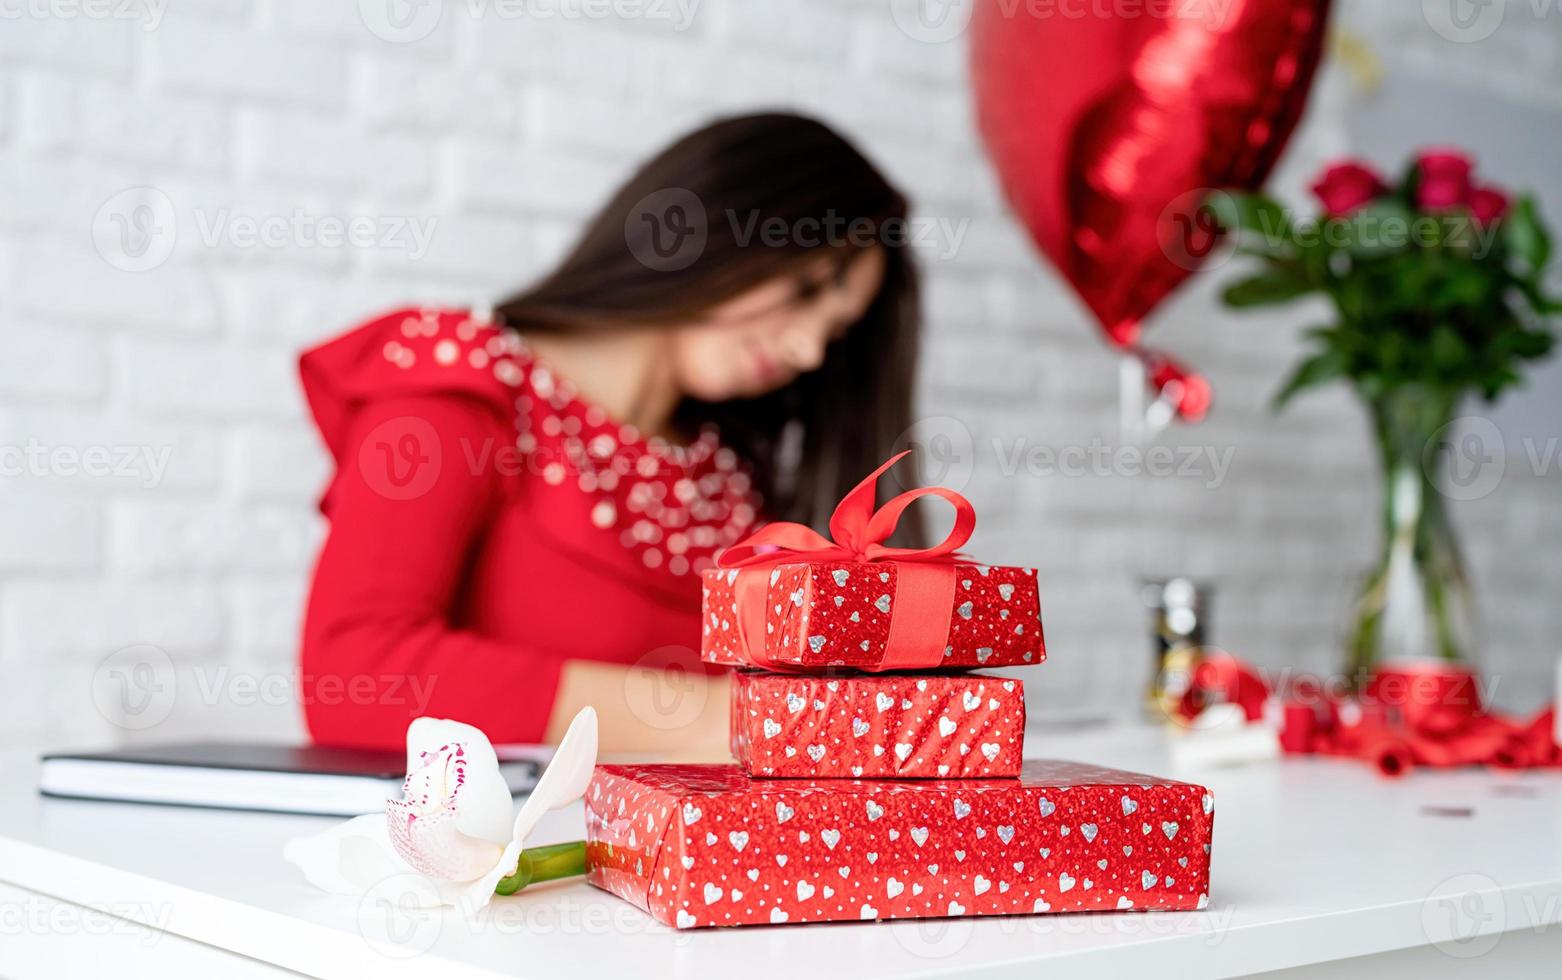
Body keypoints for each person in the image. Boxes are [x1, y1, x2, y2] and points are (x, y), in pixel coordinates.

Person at [297, 112, 924, 754]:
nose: (809, 349)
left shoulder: (732, 477)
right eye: (805, 288)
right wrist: (721, 720)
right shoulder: (461, 387)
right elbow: (356, 675)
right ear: (712, 225)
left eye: (836, 331)